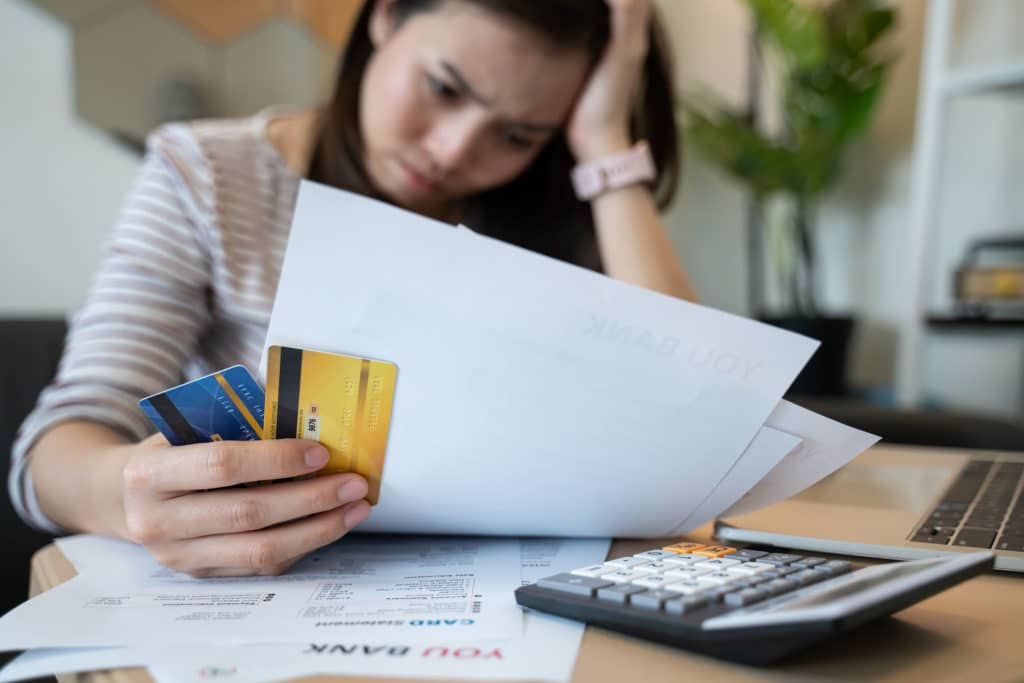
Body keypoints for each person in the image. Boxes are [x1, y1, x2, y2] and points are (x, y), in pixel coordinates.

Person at [10, 0, 696, 577]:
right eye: (445, 88)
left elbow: (692, 411)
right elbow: (56, 451)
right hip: (265, 599)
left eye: (517, 134)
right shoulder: (210, 176)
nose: (454, 150)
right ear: (387, 15)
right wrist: (128, 491)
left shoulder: (545, 212)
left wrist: (607, 145)